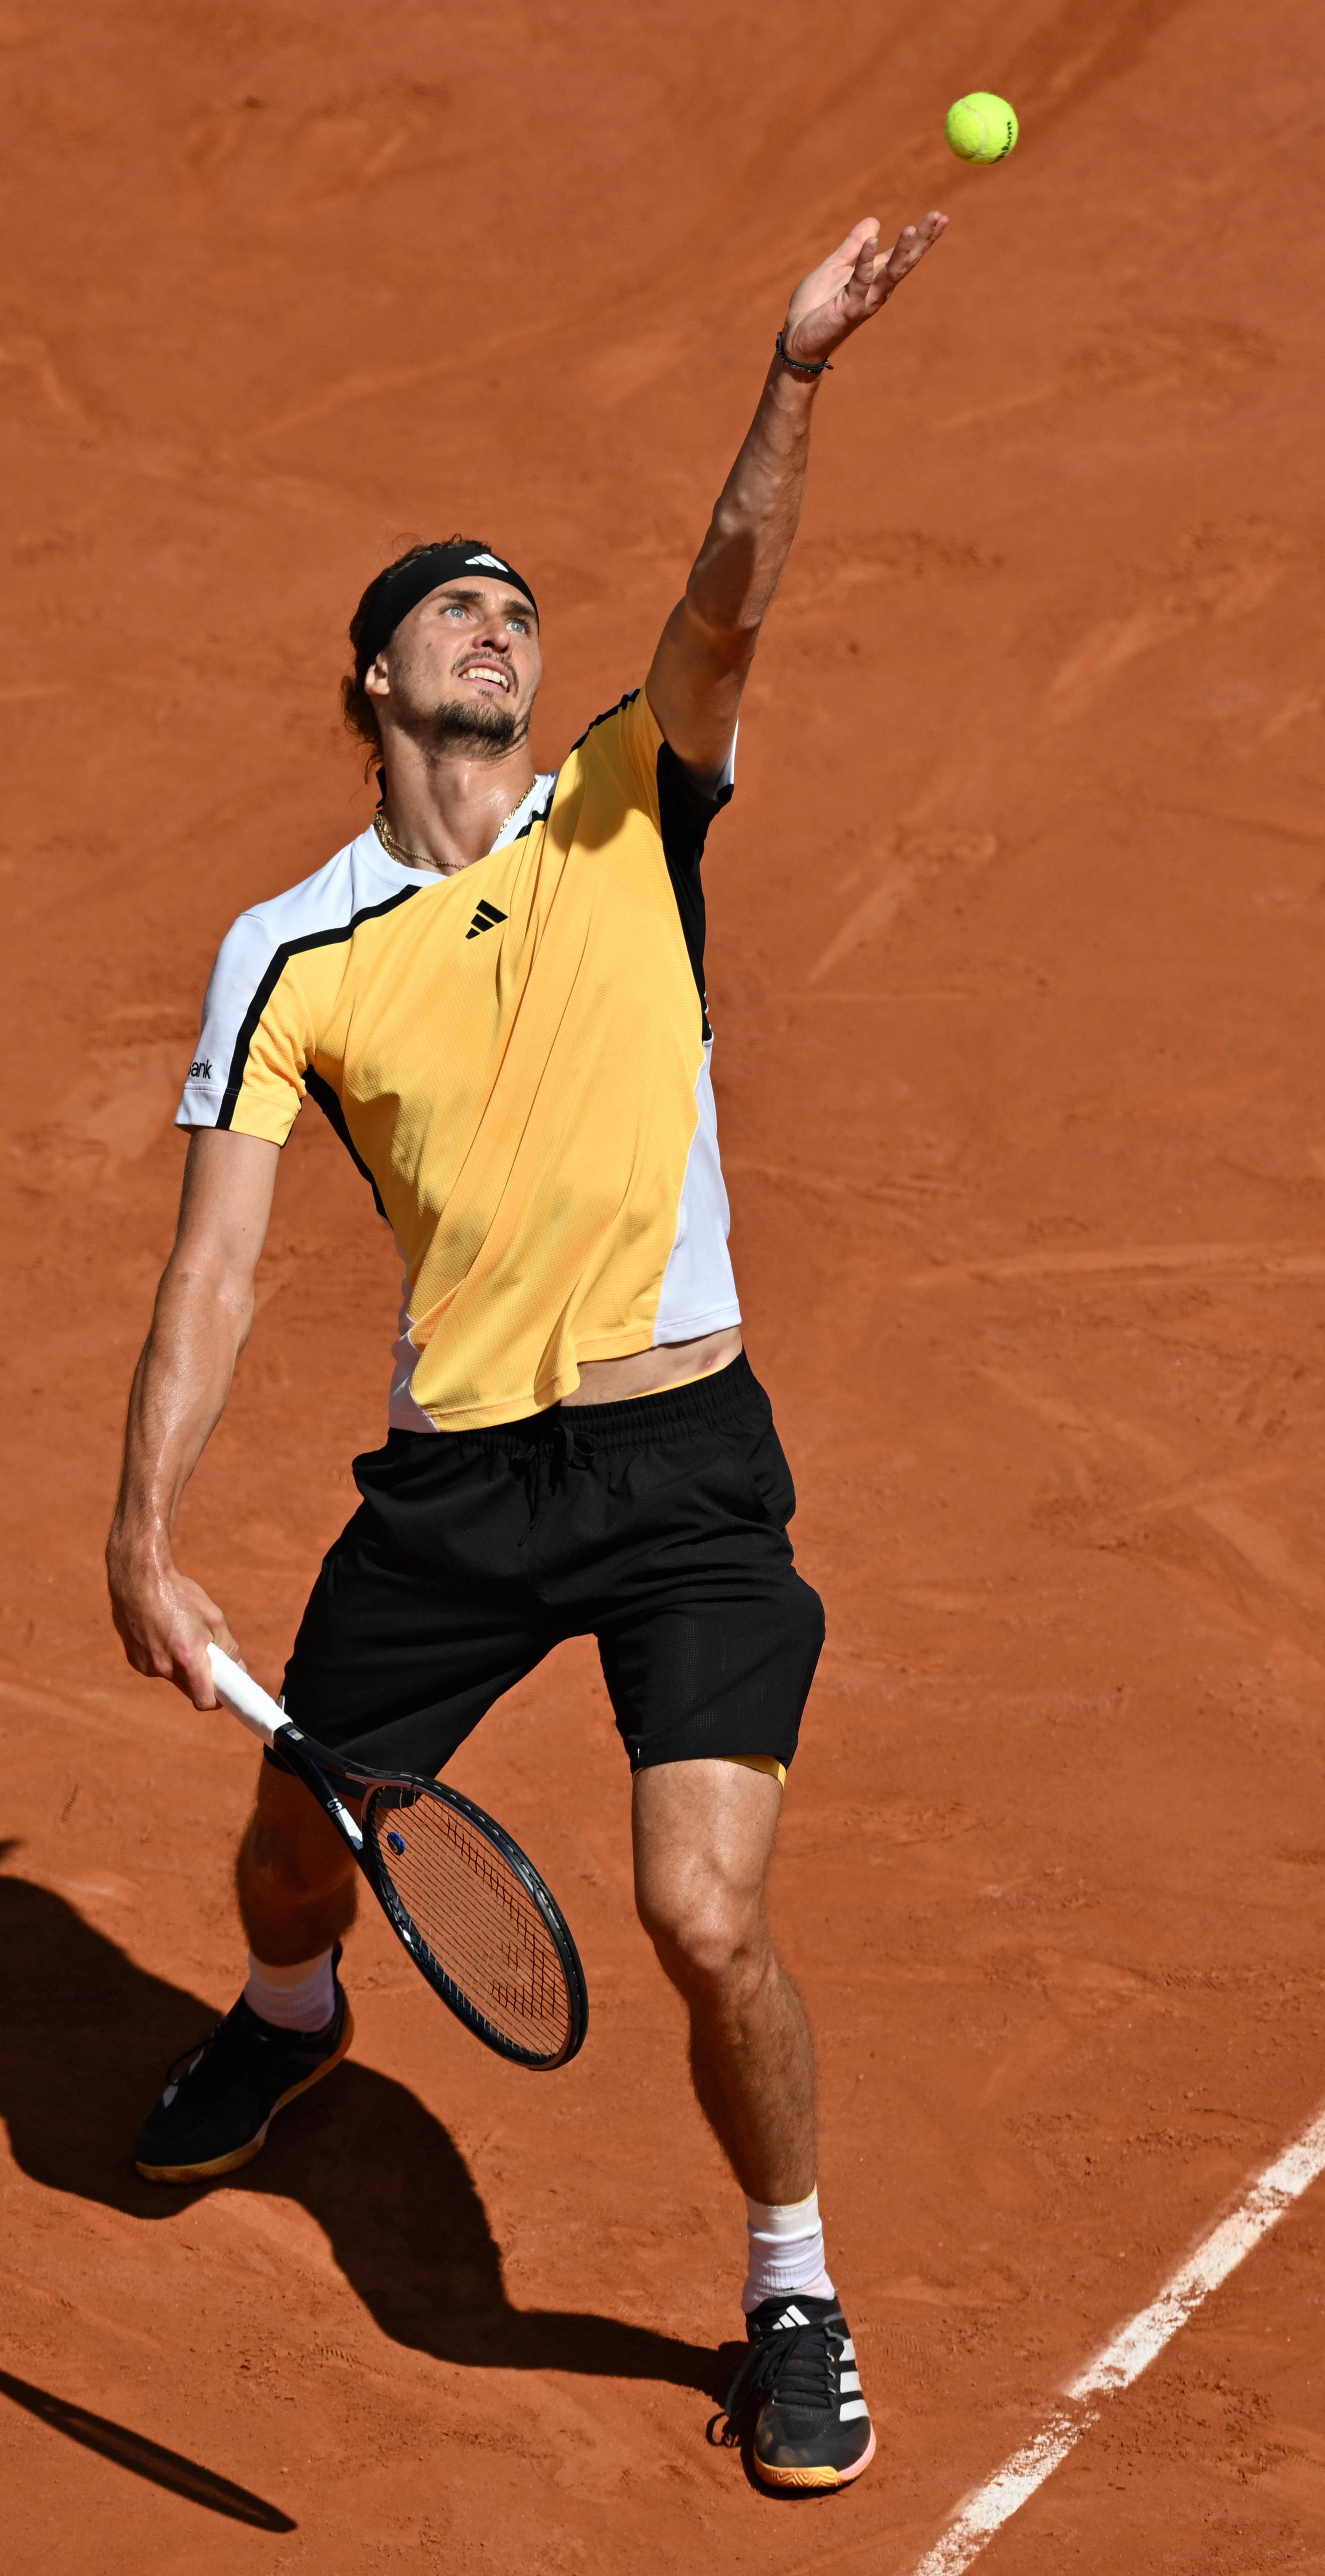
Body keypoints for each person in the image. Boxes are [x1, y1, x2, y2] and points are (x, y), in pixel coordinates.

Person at [102, 210, 946, 2497]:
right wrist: (145, 1526)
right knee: (292, 1855)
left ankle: (790, 2279)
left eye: (519, 607)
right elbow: (217, 1269)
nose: (504, 621)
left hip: (682, 1467)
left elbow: (733, 587)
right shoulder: (285, 953)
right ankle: (293, 2023)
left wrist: (793, 379)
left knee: (700, 1907)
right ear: (371, 677)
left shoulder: (625, 799)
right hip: (458, 1490)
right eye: (453, 606)